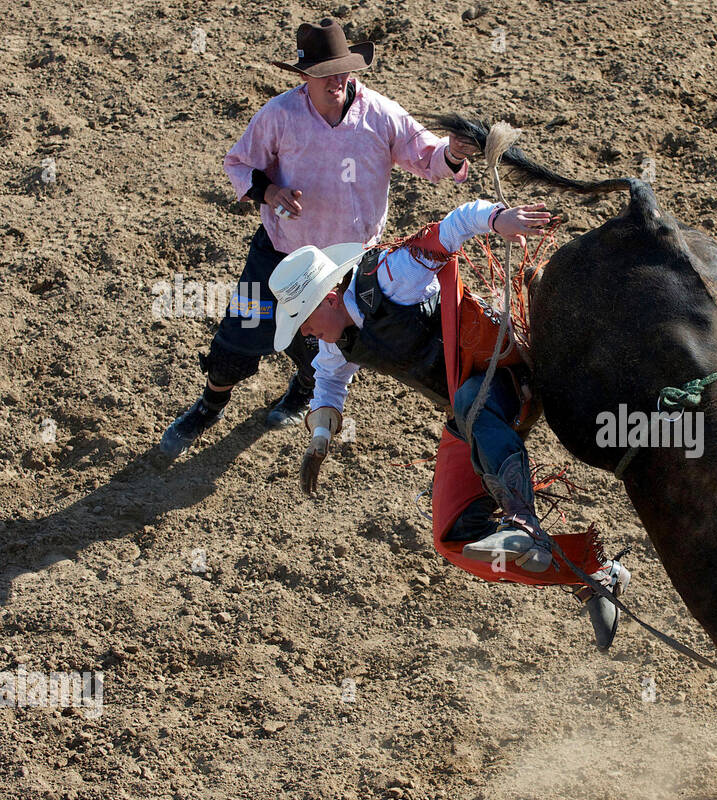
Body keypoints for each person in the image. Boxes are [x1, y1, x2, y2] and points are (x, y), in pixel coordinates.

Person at [266, 198, 631, 646]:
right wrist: (320, 436)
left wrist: (497, 219)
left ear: (327, 297)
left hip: (504, 372)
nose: (303, 332)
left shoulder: (389, 278)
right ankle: (592, 573)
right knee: (452, 536)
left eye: (303, 318)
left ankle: (524, 522)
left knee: (471, 401)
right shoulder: (335, 344)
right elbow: (327, 385)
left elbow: (450, 227)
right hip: (469, 409)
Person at [159, 17, 479, 457]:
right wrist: (268, 191)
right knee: (241, 330)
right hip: (280, 255)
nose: (338, 81)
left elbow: (428, 157)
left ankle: (301, 393)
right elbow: (237, 164)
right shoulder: (279, 116)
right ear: (304, 77)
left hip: (348, 264)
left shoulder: (380, 115)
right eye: (327, 73)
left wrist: (453, 153)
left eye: (344, 71)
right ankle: (210, 404)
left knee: (322, 342)